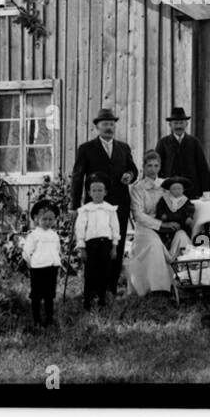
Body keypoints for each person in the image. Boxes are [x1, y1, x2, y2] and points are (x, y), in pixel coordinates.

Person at [70, 108, 138, 292]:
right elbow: (77, 177)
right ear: (97, 127)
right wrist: (74, 206)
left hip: (119, 206)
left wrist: (129, 175)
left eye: (111, 124)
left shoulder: (123, 148)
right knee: (95, 245)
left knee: (117, 243)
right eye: (105, 124)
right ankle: (93, 288)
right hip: (95, 206)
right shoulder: (86, 149)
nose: (109, 127)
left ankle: (111, 288)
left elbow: (133, 169)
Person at [125, 151, 176, 296]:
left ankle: (183, 282)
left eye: (156, 166)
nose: (152, 169)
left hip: (166, 223)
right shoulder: (138, 187)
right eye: (149, 166)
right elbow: (138, 215)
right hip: (145, 227)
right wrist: (161, 225)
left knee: (182, 238)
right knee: (154, 244)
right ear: (144, 167)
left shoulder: (166, 184)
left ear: (160, 167)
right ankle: (158, 289)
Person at [73, 174, 121, 310]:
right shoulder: (85, 210)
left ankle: (101, 299)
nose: (97, 193)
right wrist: (82, 249)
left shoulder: (110, 209)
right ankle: (87, 300)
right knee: (90, 272)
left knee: (104, 272)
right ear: (89, 193)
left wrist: (114, 247)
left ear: (105, 192)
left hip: (106, 244)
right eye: (94, 190)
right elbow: (80, 230)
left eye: (100, 190)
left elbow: (115, 229)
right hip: (91, 245)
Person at [22, 199, 63, 327]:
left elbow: (57, 250)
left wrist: (57, 263)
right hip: (38, 269)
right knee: (37, 295)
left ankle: (49, 318)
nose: (47, 222)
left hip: (51, 268)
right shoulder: (34, 235)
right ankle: (37, 320)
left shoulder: (54, 235)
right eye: (44, 219)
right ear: (36, 218)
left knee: (49, 295)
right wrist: (30, 264)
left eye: (51, 219)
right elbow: (27, 252)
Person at [155, 106, 210, 200]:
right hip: (170, 189)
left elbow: (202, 168)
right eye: (175, 123)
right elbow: (157, 166)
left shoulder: (194, 142)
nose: (178, 126)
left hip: (191, 189)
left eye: (181, 123)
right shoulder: (163, 143)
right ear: (170, 125)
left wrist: (206, 191)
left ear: (186, 124)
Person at [154, 176, 196, 258]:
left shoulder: (185, 200)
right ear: (169, 190)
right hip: (167, 225)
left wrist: (189, 217)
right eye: (174, 189)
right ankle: (170, 254)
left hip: (181, 225)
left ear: (183, 190)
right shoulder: (164, 199)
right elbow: (159, 208)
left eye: (179, 189)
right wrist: (162, 214)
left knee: (182, 235)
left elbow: (190, 209)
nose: (177, 191)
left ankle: (183, 255)